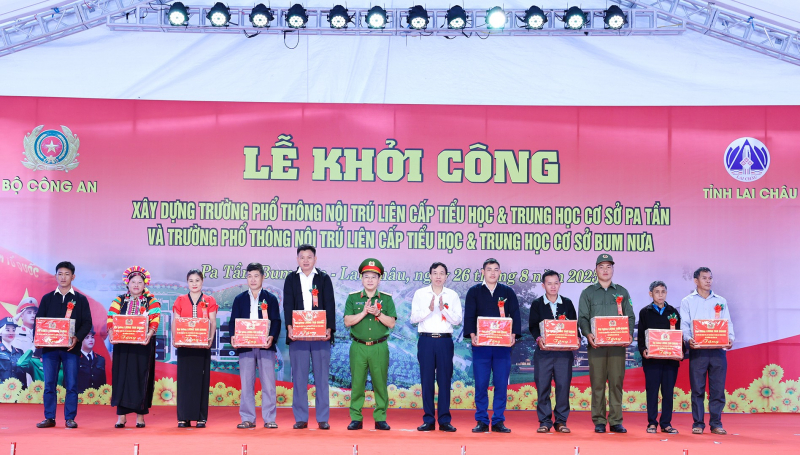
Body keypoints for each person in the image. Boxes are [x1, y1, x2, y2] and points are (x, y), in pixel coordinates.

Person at [578, 253, 634, 434]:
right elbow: (583, 318)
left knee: (617, 382)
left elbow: (630, 316)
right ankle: (599, 421)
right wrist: (588, 334)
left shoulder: (623, 292)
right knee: (598, 383)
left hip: (618, 346)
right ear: (596, 270)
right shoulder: (588, 293)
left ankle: (616, 421)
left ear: (613, 269)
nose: (605, 270)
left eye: (608, 267)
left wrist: (629, 334)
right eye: (601, 267)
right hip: (596, 347)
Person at [464, 258, 522, 434]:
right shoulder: (474, 291)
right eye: (489, 269)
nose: (492, 273)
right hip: (481, 346)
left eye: (496, 270)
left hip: (502, 347)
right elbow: (470, 315)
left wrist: (513, 335)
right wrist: (472, 335)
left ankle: (498, 420)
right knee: (481, 384)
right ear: (483, 271)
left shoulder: (507, 291)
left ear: (500, 272)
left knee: (501, 384)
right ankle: (481, 420)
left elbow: (516, 314)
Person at [283, 245, 336, 430]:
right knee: (299, 378)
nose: (306, 260)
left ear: (315, 259)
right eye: (302, 257)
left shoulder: (323, 278)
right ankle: (301, 418)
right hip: (298, 336)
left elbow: (330, 304)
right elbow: (288, 303)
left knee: (322, 378)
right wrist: (289, 327)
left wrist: (329, 328)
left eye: (309, 257)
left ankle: (322, 418)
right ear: (297, 259)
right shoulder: (291, 279)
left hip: (320, 336)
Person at [35, 261, 93, 429]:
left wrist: (77, 338)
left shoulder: (80, 299)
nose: (63, 277)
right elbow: (39, 322)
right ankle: (49, 418)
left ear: (73, 277)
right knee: (49, 384)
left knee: (72, 384)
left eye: (67, 274)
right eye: (60, 274)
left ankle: (70, 418)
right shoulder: (47, 298)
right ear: (55, 276)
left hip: (71, 349)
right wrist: (38, 340)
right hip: (49, 350)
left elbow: (87, 323)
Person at [344, 258, 397, 431]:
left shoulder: (386, 299)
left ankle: (380, 417)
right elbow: (347, 321)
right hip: (358, 346)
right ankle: (356, 418)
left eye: (374, 277)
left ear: (379, 280)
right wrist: (364, 312)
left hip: (379, 347)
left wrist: (378, 313)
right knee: (357, 383)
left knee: (380, 383)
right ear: (361, 278)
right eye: (366, 276)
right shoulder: (353, 299)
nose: (370, 280)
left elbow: (391, 323)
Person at [680, 267, 734, 436]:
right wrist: (689, 340)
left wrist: (730, 338)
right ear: (696, 281)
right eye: (704, 278)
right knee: (697, 389)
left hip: (718, 351)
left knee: (717, 389)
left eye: (710, 278)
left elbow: (728, 323)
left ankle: (716, 423)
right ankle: (698, 423)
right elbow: (685, 325)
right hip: (698, 351)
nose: (708, 281)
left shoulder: (721, 301)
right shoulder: (687, 301)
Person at [410, 262, 462, 432]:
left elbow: (457, 320)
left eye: (442, 273)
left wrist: (443, 310)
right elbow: (413, 318)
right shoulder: (420, 294)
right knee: (426, 381)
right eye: (435, 273)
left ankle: (445, 420)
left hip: (444, 341)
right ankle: (429, 420)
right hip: (426, 341)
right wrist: (429, 309)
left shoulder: (452, 295)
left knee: (444, 380)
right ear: (430, 275)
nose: (438, 276)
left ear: (446, 276)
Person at [229, 263, 282, 429]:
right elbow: (233, 321)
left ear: (262, 277)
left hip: (265, 346)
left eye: (256, 276)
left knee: (268, 384)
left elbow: (276, 321)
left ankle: (269, 419)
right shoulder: (239, 299)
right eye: (250, 276)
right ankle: (248, 418)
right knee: (246, 383)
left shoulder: (271, 298)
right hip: (245, 346)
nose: (253, 279)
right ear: (247, 278)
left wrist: (271, 337)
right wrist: (233, 336)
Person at [107, 266, 161, 428]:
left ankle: (140, 417)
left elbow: (155, 319)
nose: (136, 285)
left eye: (140, 282)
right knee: (121, 378)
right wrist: (111, 333)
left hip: (143, 344)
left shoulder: (152, 301)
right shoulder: (119, 300)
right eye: (133, 282)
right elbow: (111, 318)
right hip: (122, 345)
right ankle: (121, 417)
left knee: (141, 378)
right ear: (127, 284)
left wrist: (149, 335)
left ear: (145, 285)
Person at [528, 270, 578, 433]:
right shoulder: (537, 304)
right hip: (544, 353)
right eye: (549, 283)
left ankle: (561, 421)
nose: (553, 286)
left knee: (563, 386)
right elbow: (533, 326)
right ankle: (544, 421)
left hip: (564, 354)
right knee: (543, 386)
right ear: (543, 285)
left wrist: (576, 338)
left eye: (556, 283)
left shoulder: (567, 303)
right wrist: (538, 339)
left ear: (560, 284)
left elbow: (573, 325)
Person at [172, 269, 218, 428]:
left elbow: (212, 321)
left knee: (201, 380)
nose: (194, 284)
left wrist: (210, 339)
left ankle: (201, 417)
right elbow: (176, 322)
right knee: (184, 380)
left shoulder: (209, 300)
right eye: (191, 281)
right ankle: (183, 417)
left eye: (197, 280)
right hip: (184, 345)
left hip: (202, 345)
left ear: (202, 282)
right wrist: (175, 338)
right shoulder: (180, 300)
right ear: (187, 283)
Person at [637, 281, 681, 434]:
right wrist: (643, 350)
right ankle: (652, 423)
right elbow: (641, 336)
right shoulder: (645, 312)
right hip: (652, 361)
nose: (660, 294)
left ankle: (666, 423)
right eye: (657, 292)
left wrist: (679, 351)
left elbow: (678, 335)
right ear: (651, 294)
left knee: (668, 392)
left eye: (663, 291)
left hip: (670, 361)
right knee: (652, 392)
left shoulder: (673, 312)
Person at [77, 329, 107, 393]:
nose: (90, 340)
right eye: (87, 337)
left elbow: (103, 383)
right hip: (81, 399)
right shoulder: (75, 358)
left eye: (92, 337)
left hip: (98, 399)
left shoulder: (101, 359)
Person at [0, 317, 27, 384]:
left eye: (13, 330)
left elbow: (23, 376)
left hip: (19, 392)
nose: (11, 333)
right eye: (7, 330)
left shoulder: (20, 352)